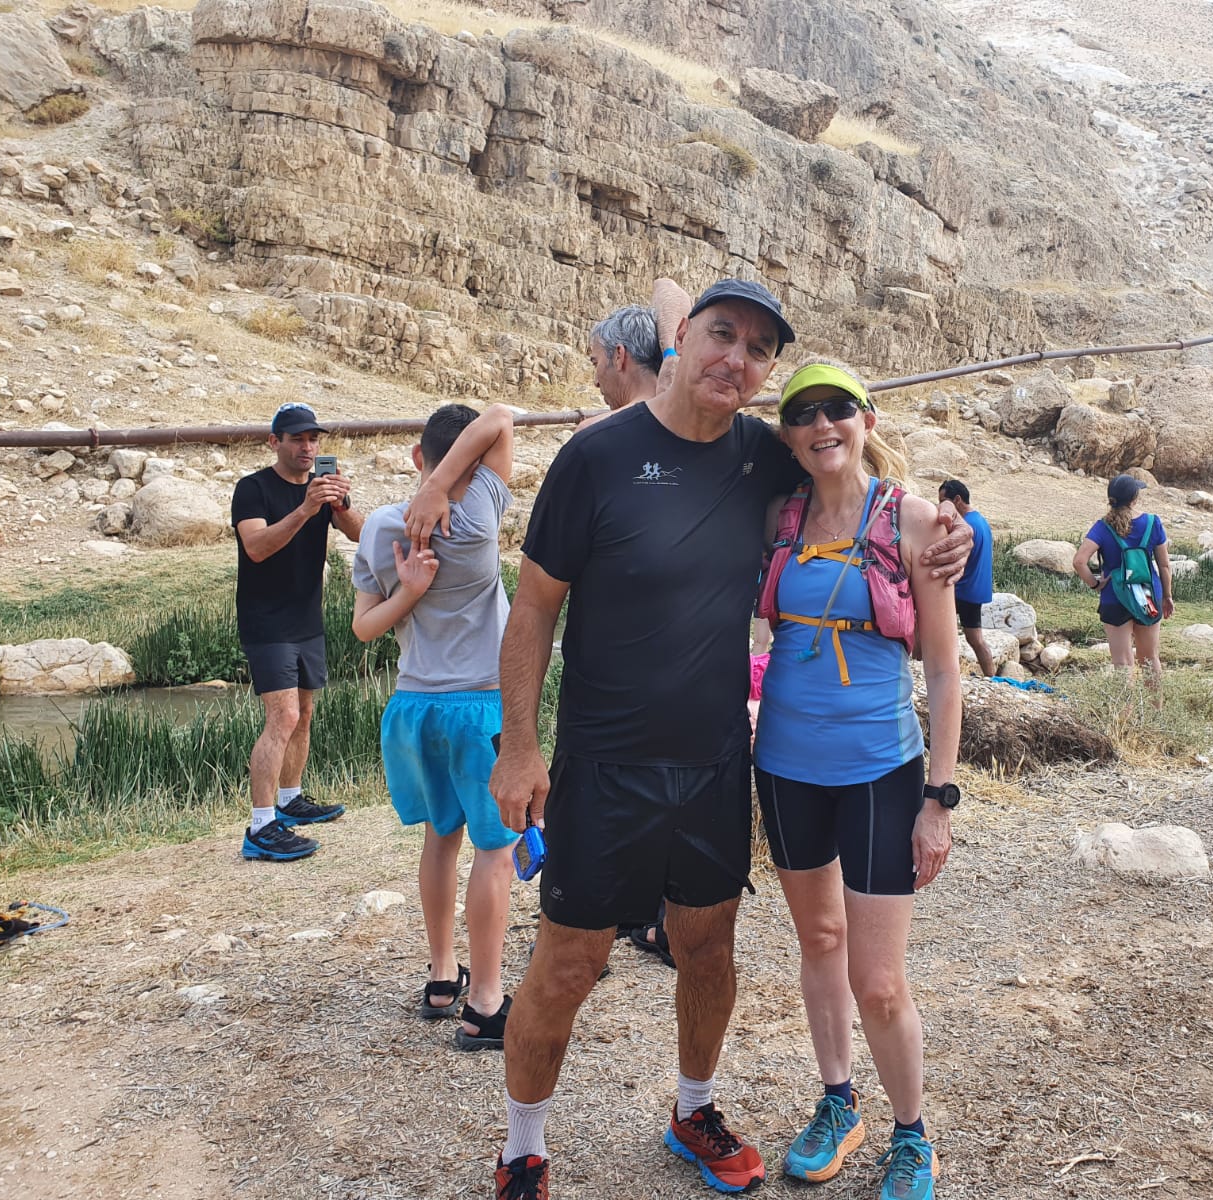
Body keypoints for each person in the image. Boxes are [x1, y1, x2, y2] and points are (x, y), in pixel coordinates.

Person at [405, 278, 973, 1200]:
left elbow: (853, 470)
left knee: (706, 950)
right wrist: (519, 747)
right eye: (721, 334)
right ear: (682, 336)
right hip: (603, 764)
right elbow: (534, 609)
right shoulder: (597, 456)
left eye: (758, 349)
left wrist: (948, 529)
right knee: (569, 962)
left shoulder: (762, 455)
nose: (736, 359)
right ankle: (522, 1149)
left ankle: (693, 1110)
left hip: (714, 765)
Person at [754, 362, 960, 1200]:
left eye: (837, 408)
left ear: (867, 419)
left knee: (878, 981)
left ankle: (912, 1136)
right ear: (788, 434)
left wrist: (939, 800)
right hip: (784, 766)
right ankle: (838, 1102)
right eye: (802, 414)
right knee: (819, 942)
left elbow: (943, 669)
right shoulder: (777, 514)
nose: (821, 425)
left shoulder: (916, 522)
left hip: (881, 768)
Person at [350, 402, 519, 1049]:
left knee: (440, 839)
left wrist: (410, 591)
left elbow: (365, 628)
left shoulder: (381, 527)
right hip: (480, 708)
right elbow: (499, 418)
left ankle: (444, 977)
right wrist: (448, 482)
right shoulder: (476, 518)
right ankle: (486, 1001)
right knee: (495, 852)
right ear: (475, 467)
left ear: (418, 457)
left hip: (414, 707)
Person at [232, 402, 363, 862]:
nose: (307, 448)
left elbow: (359, 535)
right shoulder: (252, 489)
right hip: (266, 621)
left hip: (307, 618)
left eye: (313, 439)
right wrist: (306, 510)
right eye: (297, 439)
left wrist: (340, 504)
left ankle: (290, 800)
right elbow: (256, 547)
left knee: (304, 713)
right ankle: (260, 826)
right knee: (282, 717)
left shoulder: (320, 489)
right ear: (275, 442)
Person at [1072, 473, 1174, 688]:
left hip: (1115, 597)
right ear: (1134, 499)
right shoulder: (1152, 523)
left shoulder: (1102, 527)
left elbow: (1079, 561)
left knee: (1122, 664)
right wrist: (1167, 596)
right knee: (1150, 659)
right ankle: (1156, 708)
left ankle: (1124, 710)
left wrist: (1095, 584)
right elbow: (1164, 565)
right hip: (1147, 595)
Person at [575, 280, 693, 431]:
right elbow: (669, 288)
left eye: (596, 363)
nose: (596, 382)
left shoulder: (593, 431)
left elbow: (664, 284)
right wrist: (671, 354)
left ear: (619, 356)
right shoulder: (690, 419)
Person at [938, 479, 994, 676]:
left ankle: (921, 666)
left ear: (957, 500)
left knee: (928, 627)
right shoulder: (981, 521)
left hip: (961, 589)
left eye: (943, 501)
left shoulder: (965, 526)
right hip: (976, 590)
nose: (941, 507)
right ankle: (991, 678)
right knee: (976, 639)